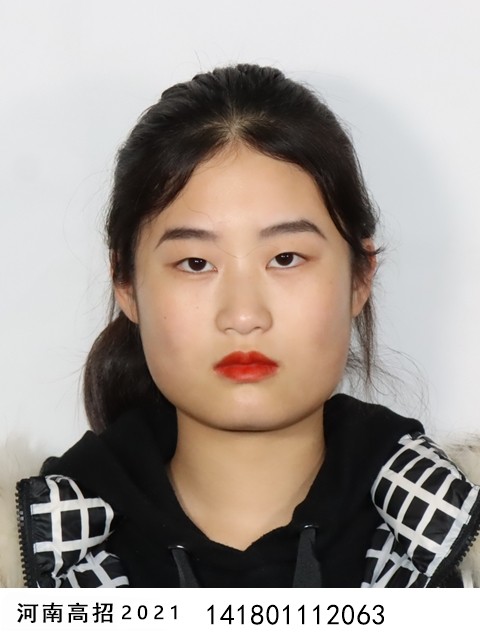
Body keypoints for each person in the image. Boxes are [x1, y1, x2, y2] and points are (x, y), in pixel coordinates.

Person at [3, 64, 480, 588]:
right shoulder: (30, 562)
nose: (244, 315)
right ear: (127, 284)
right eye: (195, 264)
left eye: (286, 258)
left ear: (360, 277)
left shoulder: (457, 538)